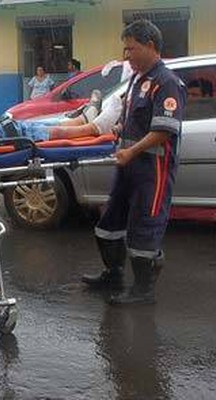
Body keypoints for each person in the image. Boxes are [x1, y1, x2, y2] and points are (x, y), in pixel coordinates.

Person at [81, 20, 186, 305]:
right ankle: (112, 274)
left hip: (152, 170)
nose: (127, 55)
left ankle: (143, 291)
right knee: (109, 222)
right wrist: (120, 132)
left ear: (150, 45)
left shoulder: (166, 83)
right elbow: (133, 120)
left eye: (132, 48)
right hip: (127, 167)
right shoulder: (137, 79)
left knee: (145, 227)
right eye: (125, 49)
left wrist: (133, 150)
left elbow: (164, 131)